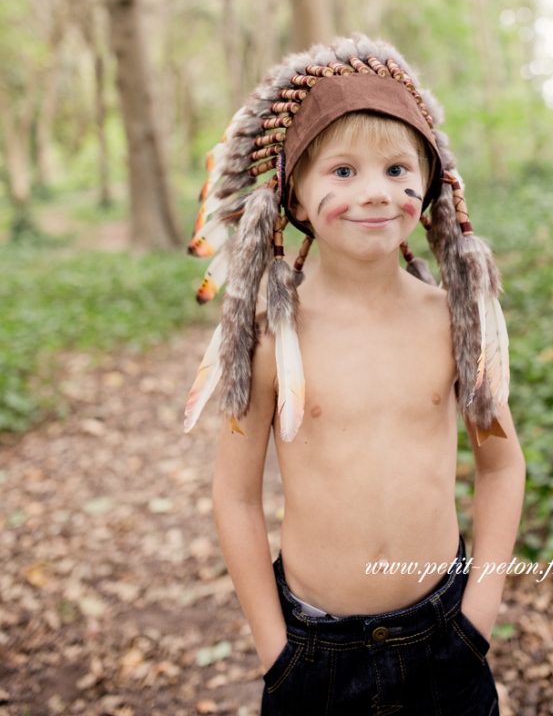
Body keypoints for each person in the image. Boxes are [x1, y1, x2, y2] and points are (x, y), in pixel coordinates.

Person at [183, 36, 526, 715]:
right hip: (315, 651)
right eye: (342, 171)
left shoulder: (452, 320)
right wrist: (274, 649)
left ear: (425, 186)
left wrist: (477, 613)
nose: (376, 192)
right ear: (296, 199)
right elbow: (237, 496)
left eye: (398, 168)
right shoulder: (270, 335)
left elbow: (500, 466)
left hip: (444, 635)